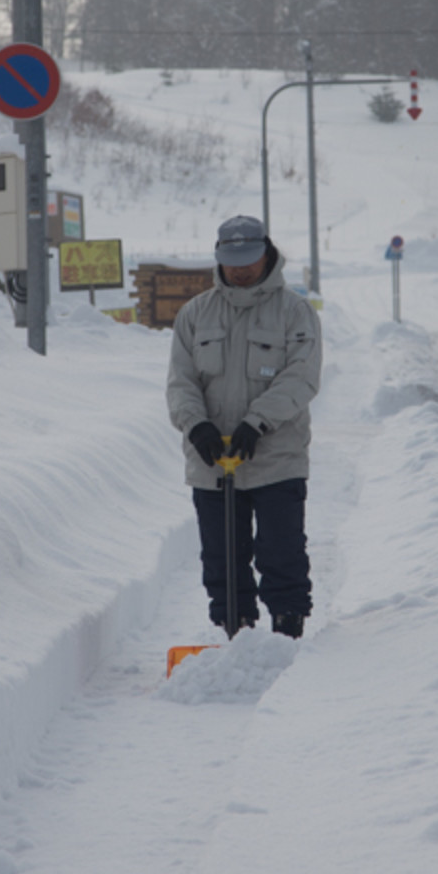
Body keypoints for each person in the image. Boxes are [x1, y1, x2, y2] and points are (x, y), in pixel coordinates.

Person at [166, 214, 322, 639]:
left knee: (281, 551)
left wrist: (258, 422)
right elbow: (180, 382)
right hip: (213, 460)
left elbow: (302, 376)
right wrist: (197, 426)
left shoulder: (295, 312)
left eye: (249, 259)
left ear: (267, 253)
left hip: (276, 458)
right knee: (221, 556)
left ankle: (287, 630)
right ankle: (234, 630)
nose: (240, 269)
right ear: (218, 257)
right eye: (232, 259)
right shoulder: (196, 314)